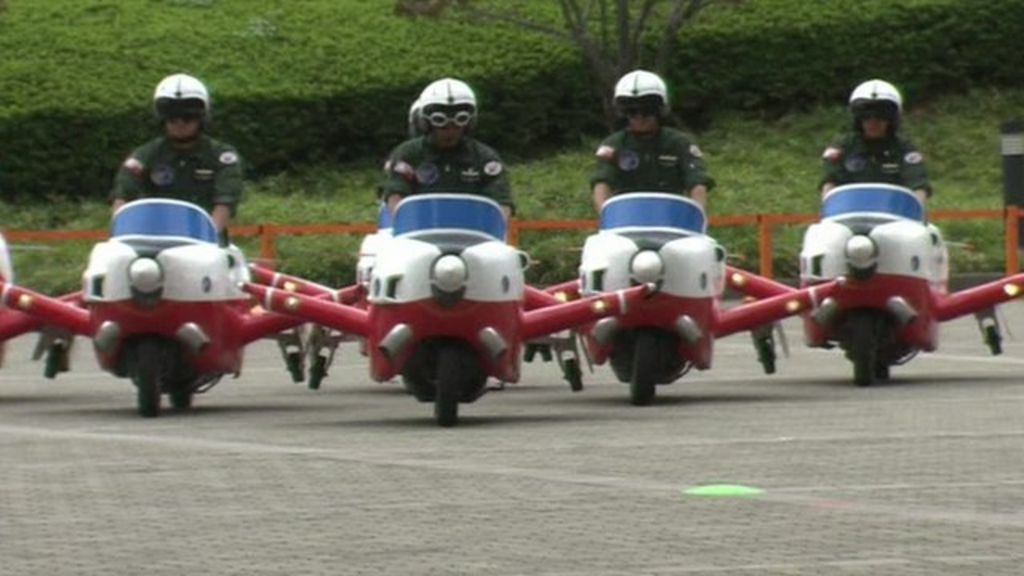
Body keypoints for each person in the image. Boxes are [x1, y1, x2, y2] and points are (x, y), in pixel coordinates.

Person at [111, 73, 243, 234]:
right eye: (172, 117)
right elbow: (122, 197)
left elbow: (224, 204)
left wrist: (208, 237)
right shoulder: (144, 155)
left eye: (188, 117)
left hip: (205, 242)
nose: (180, 123)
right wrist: (119, 233)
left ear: (201, 117)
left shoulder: (222, 156)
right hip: (152, 239)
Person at [379, 77, 514, 219]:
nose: (450, 131)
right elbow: (395, 195)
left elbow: (501, 203)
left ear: (470, 122)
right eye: (440, 122)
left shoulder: (485, 158)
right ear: (426, 122)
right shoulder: (407, 154)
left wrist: (496, 225)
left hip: (472, 235)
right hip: (416, 233)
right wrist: (403, 220)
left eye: (458, 122)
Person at [590, 69, 713, 213]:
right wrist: (605, 216)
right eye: (632, 112)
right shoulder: (613, 145)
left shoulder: (680, 143)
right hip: (626, 221)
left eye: (647, 111)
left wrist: (698, 216)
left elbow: (697, 183)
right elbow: (602, 182)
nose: (639, 117)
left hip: (672, 220)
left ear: (660, 110)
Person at [820, 79, 931, 203]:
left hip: (895, 215)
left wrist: (917, 208)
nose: (873, 122)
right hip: (850, 215)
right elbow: (830, 182)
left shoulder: (904, 148)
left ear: (892, 119)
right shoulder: (843, 147)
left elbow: (918, 184)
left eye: (882, 115)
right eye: (865, 115)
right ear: (857, 118)